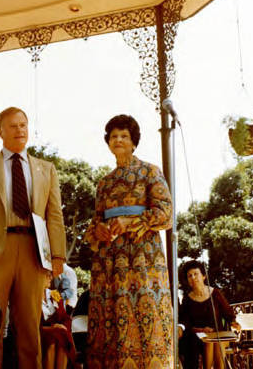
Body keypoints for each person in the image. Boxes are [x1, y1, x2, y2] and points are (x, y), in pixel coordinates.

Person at [0, 106, 67, 369]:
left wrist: (58, 255)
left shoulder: (46, 169)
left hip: (33, 251)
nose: (20, 130)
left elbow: (54, 216)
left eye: (23, 125)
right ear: (0, 131)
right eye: (13, 126)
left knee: (30, 326)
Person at [85, 114, 174, 369]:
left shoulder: (150, 172)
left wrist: (129, 222)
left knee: (144, 316)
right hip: (110, 261)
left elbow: (165, 214)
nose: (118, 140)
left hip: (142, 259)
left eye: (124, 136)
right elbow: (95, 222)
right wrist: (98, 230)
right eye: (113, 136)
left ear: (134, 141)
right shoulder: (104, 183)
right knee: (110, 320)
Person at [179, 260, 240, 369]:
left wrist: (233, 322)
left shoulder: (215, 293)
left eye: (195, 274)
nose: (193, 277)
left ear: (203, 276)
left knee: (215, 342)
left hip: (218, 335)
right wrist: (201, 330)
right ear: (188, 280)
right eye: (190, 276)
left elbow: (228, 313)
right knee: (209, 342)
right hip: (198, 337)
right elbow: (186, 322)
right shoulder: (187, 299)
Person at [41, 271, 76, 369]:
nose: (50, 278)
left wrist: (63, 326)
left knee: (61, 336)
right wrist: (52, 328)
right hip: (40, 331)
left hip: (57, 332)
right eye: (47, 275)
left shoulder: (53, 294)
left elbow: (64, 317)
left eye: (51, 275)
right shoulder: (31, 296)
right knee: (52, 339)